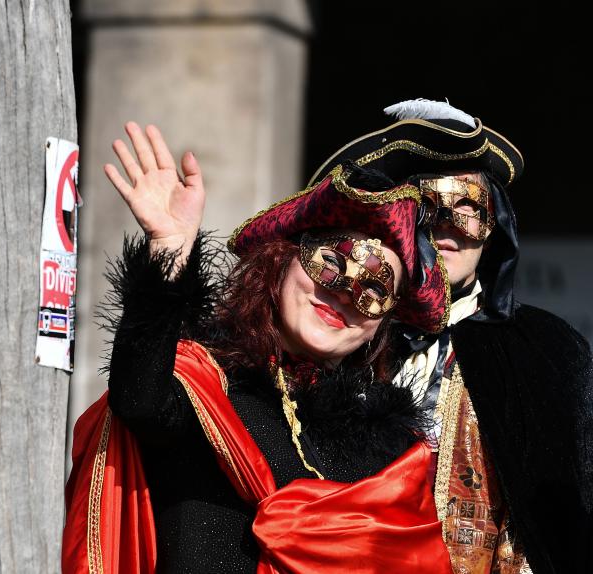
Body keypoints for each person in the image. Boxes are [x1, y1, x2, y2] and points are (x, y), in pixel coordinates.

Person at [62, 122, 456, 573]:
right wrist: (168, 251)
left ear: (378, 326)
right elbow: (139, 398)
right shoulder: (206, 390)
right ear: (283, 262)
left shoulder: (391, 460)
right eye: (331, 263)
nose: (344, 294)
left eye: (373, 291)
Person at [308, 99, 592, 573]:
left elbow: (564, 522)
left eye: (466, 206)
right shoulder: (337, 333)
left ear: (494, 224)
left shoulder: (547, 350)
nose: (445, 227)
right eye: (424, 204)